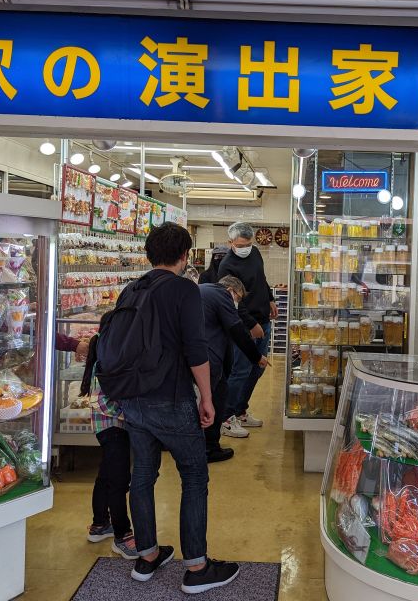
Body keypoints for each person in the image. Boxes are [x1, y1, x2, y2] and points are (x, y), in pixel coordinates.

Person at [116, 222, 239, 593]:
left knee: (142, 475)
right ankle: (197, 567)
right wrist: (207, 397)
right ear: (185, 256)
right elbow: (196, 349)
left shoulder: (130, 289)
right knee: (194, 475)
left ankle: (147, 555)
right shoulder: (185, 290)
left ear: (149, 253)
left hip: (132, 399)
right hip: (170, 397)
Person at [80, 314, 137, 559]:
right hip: (112, 426)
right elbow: (103, 400)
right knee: (118, 480)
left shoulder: (107, 352)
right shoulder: (109, 357)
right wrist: (131, 414)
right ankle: (122, 535)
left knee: (106, 474)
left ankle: (100, 524)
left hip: (107, 426)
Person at [199, 276, 269, 462]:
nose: (237, 303)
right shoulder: (223, 295)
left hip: (190, 355)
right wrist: (257, 357)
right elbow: (237, 331)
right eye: (238, 298)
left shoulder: (204, 289)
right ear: (231, 290)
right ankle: (209, 449)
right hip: (207, 358)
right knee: (217, 397)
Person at [218, 222, 277, 436]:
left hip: (263, 319)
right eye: (241, 245)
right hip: (244, 324)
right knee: (240, 370)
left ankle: (240, 410)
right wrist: (251, 324)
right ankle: (226, 418)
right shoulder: (226, 266)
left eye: (248, 244)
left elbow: (261, 279)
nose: (245, 248)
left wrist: (270, 298)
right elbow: (233, 302)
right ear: (230, 243)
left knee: (258, 368)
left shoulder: (255, 253)